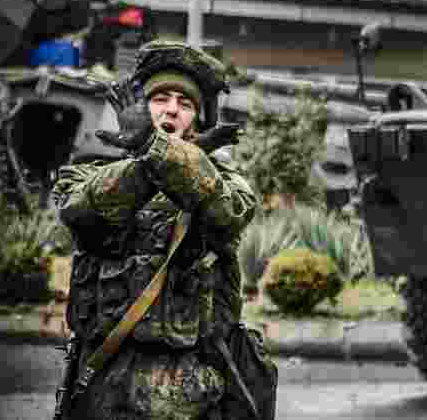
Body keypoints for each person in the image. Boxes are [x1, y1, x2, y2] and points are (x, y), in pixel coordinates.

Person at [52, 40, 277, 420]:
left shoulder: (223, 181)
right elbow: (81, 210)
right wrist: (151, 155)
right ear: (134, 110)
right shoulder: (86, 174)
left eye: (185, 103)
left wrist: (158, 149)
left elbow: (229, 212)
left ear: (197, 120)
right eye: (160, 98)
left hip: (188, 392)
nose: (172, 108)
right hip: (102, 387)